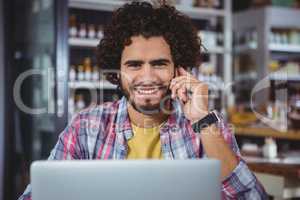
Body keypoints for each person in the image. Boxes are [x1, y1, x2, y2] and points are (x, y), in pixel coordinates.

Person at [19, 1, 267, 199]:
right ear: (117, 71)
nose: (146, 77)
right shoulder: (85, 127)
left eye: (159, 64)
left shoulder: (207, 126)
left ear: (178, 69)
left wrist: (202, 120)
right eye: (134, 65)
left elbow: (253, 197)